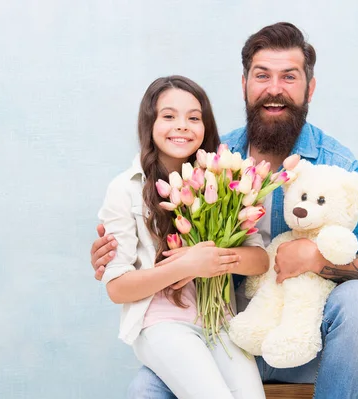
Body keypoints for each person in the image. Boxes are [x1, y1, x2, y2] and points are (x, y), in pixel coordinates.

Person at [92, 23, 358, 399]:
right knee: (144, 390)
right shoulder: (212, 159)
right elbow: (156, 225)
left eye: (289, 76)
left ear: (310, 88)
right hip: (220, 329)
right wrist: (114, 256)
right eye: (262, 76)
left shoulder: (336, 165)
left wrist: (318, 260)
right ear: (244, 85)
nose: (274, 89)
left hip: (300, 338)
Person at [97, 75, 269, 399]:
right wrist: (186, 265)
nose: (182, 126)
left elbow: (259, 260)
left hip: (220, 321)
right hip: (161, 324)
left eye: (193, 117)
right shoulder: (125, 188)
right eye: (169, 116)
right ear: (149, 123)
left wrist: (213, 260)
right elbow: (117, 288)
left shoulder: (224, 183)